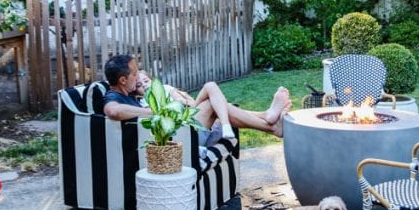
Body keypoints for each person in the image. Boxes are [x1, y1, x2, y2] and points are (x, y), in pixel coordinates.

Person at [102, 54, 291, 138]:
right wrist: (154, 112)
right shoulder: (114, 97)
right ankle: (271, 126)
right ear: (122, 80)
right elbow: (112, 111)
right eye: (134, 74)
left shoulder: (132, 91)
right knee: (211, 103)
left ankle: (267, 118)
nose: (138, 76)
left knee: (214, 100)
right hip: (178, 136)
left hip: (179, 125)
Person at [136, 70, 292, 139]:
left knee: (215, 97)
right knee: (212, 91)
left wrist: (181, 100)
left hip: (190, 113)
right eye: (139, 85)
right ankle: (267, 122)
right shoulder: (144, 103)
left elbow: (189, 102)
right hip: (183, 126)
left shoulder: (166, 89)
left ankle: (267, 117)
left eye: (146, 81)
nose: (144, 85)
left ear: (153, 80)